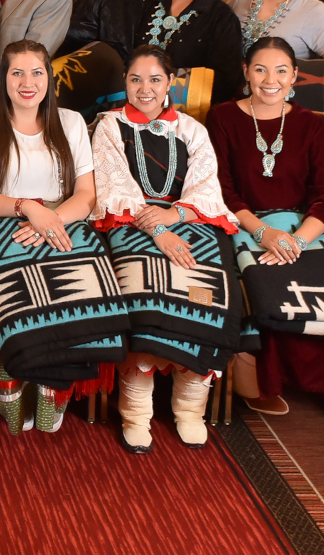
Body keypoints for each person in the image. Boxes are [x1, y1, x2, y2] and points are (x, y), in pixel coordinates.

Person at [205, 38, 324, 416]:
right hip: (244, 223)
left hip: (306, 227)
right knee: (265, 288)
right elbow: (221, 190)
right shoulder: (222, 117)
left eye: (282, 70)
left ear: (295, 76)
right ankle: (261, 381)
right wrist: (263, 234)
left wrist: (298, 240)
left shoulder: (310, 125)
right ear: (245, 72)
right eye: (260, 69)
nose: (271, 80)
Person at [91, 45, 243, 454]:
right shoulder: (108, 126)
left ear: (170, 83)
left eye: (155, 79)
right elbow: (113, 187)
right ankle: (136, 411)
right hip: (129, 222)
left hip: (189, 220)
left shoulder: (193, 129)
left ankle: (190, 406)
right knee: (143, 291)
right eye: (135, 79)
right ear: (125, 82)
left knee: (209, 294)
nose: (144, 89)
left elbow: (206, 185)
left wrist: (173, 219)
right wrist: (156, 230)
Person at [0, 39, 107, 435]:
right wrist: (29, 209)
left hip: (63, 219)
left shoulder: (72, 122)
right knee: (17, 280)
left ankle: (51, 387)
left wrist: (50, 221)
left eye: (37, 72)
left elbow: (87, 195)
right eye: (17, 72)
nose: (28, 82)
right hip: (2, 220)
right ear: (3, 78)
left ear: (49, 78)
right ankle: (10, 378)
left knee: (76, 279)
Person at [142, 0, 242, 106]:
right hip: (136, 104)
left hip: (192, 116)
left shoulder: (222, 18)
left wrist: (161, 90)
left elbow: (226, 81)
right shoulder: (148, 6)